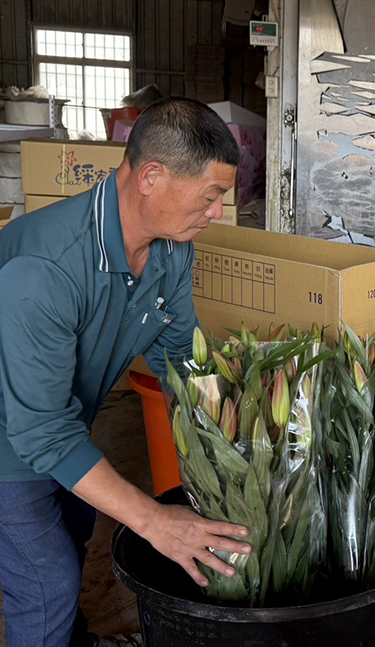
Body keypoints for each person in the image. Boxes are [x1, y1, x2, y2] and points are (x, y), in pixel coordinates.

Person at [0, 97, 250, 647]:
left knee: (75, 529)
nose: (216, 213)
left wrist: (233, 436)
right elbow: (39, 431)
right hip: (9, 439)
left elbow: (179, 356)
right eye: (210, 197)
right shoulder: (45, 269)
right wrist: (155, 522)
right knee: (47, 582)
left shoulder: (170, 250)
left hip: (63, 420)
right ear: (152, 177)